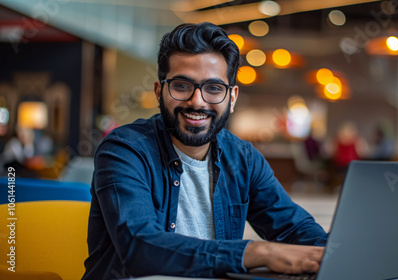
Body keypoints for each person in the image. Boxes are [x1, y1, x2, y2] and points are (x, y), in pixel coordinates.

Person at [83, 22, 327, 279]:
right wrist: (257, 252)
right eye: (181, 85)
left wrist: (338, 252)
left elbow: (295, 231)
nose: (197, 101)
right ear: (159, 92)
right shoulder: (124, 150)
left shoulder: (243, 158)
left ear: (231, 98)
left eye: (213, 89)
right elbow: (140, 247)